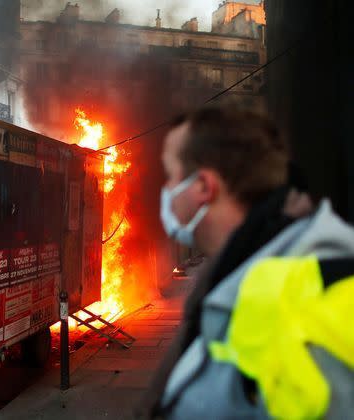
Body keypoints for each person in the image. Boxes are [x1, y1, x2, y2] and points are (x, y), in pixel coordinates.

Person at [142, 106, 354, 419]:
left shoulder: (317, 305)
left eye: (171, 175)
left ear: (203, 186)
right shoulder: (234, 275)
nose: (166, 190)